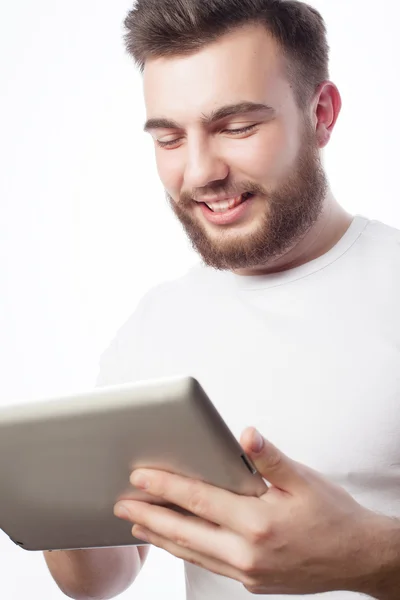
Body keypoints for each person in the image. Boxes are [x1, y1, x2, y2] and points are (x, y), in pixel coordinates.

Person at [44, 0, 400, 598]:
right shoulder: (154, 326)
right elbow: (104, 575)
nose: (200, 171)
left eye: (237, 128)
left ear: (321, 114)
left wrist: (371, 558)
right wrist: (47, 506)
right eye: (169, 137)